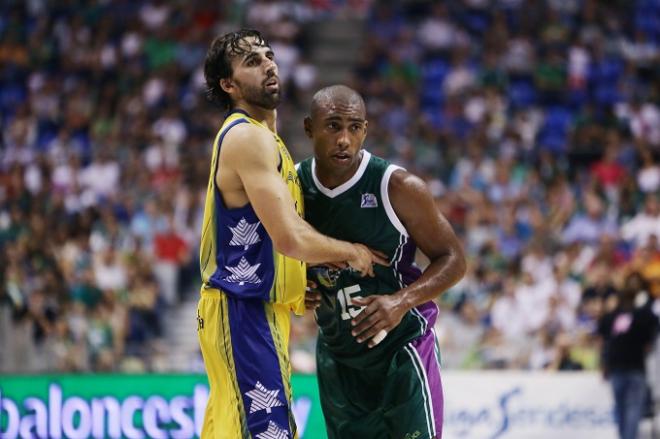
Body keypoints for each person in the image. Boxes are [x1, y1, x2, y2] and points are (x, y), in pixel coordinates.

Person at [198, 31, 385, 439]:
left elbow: (266, 234)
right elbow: (290, 237)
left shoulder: (267, 141)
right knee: (269, 432)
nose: (268, 64)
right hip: (240, 309)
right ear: (228, 85)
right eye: (251, 61)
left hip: (259, 309)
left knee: (237, 429)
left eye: (268, 55)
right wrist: (353, 252)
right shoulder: (247, 137)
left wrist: (293, 281)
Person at [298, 85, 466, 439]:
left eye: (354, 127)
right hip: (338, 354)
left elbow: (454, 259)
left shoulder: (398, 186)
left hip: (401, 348)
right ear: (309, 128)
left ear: (365, 130)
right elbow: (283, 253)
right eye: (333, 126)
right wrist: (298, 284)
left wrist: (400, 300)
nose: (344, 138)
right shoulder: (292, 186)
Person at [598, 273, 660, 439]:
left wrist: (604, 363)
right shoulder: (642, 315)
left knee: (622, 410)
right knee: (631, 410)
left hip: (619, 370)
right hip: (634, 370)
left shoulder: (612, 317)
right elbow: (654, 326)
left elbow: (603, 338)